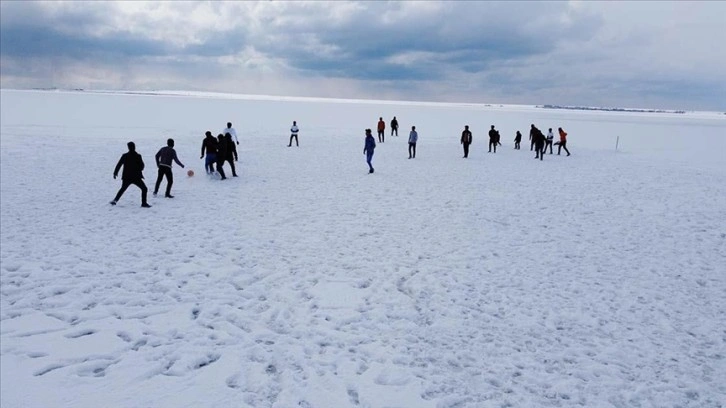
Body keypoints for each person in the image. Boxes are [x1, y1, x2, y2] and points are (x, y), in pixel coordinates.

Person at [110, 142, 151, 207]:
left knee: (123, 189)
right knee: (144, 189)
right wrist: (139, 169)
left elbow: (119, 164)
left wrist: (115, 173)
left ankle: (115, 200)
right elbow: (142, 166)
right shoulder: (138, 156)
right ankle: (144, 203)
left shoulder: (125, 155)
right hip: (136, 177)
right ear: (134, 147)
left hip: (127, 177)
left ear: (128, 148)